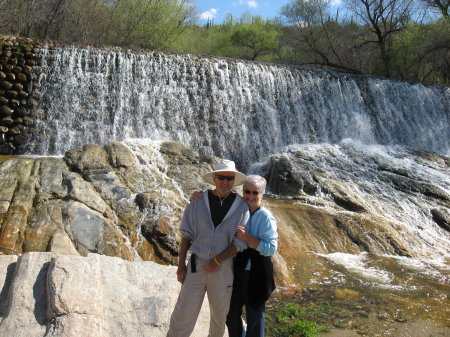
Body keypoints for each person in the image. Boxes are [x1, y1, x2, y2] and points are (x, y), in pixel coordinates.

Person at [167, 159, 250, 337]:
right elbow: (186, 234)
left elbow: (240, 243)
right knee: (183, 313)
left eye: (229, 178)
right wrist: (181, 266)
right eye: (221, 177)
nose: (225, 182)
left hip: (223, 268)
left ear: (234, 181)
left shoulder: (242, 206)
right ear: (214, 178)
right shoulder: (197, 201)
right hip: (196, 266)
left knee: (219, 317)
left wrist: (217, 260)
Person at [190, 175, 278, 337]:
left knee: (255, 317)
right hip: (237, 270)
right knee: (230, 315)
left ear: (262, 193)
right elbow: (218, 195)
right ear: (242, 191)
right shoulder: (239, 206)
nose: (250, 196)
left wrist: (248, 238)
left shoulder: (266, 217)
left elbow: (271, 249)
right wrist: (198, 195)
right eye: (247, 191)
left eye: (255, 193)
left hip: (257, 273)